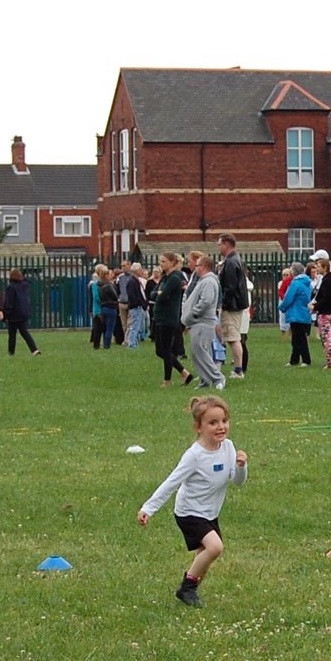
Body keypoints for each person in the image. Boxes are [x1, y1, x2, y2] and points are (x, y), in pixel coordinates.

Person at [138, 393, 248, 608]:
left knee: (204, 559)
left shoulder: (229, 447)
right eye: (212, 423)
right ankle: (186, 589)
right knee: (215, 548)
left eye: (224, 421)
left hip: (210, 513)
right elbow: (171, 482)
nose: (221, 427)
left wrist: (242, 467)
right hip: (189, 512)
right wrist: (148, 508)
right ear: (199, 427)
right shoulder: (194, 455)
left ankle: (189, 591)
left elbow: (238, 481)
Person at [182, 250, 223, 388]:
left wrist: (193, 314)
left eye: (198, 265)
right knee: (196, 353)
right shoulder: (204, 281)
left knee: (201, 352)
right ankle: (205, 381)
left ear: (204, 267)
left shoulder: (209, 281)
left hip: (202, 321)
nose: (195, 267)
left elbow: (206, 301)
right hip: (198, 322)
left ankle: (218, 378)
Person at [149, 252, 191, 386]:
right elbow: (152, 293)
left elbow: (163, 296)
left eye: (164, 261)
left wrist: (159, 294)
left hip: (169, 318)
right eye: (160, 261)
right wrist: (158, 293)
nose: (161, 264)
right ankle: (184, 373)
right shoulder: (164, 278)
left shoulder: (174, 278)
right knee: (159, 351)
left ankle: (167, 380)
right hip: (159, 317)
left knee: (166, 350)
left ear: (172, 263)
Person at [217, 235, 251, 377]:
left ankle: (238, 370)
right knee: (233, 337)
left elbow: (230, 287)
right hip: (235, 304)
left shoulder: (231, 262)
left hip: (232, 306)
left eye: (219, 244)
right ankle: (238, 368)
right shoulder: (234, 260)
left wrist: (223, 304)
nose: (218, 247)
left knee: (233, 338)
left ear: (226, 244)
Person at [310, 249, 331, 369]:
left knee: (327, 338)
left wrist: (315, 306)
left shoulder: (326, 281)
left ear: (324, 267)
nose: (316, 268)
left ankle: (330, 361)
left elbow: (325, 298)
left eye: (318, 265)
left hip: (325, 313)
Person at [281, 260, 316, 366]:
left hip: (296, 313)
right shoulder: (307, 283)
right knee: (298, 338)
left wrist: (282, 307)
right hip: (304, 312)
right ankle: (294, 359)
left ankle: (306, 360)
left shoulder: (295, 283)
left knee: (299, 338)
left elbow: (288, 298)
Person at [4, 267, 40, 356]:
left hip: (14, 314)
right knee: (24, 332)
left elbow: (9, 302)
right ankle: (34, 349)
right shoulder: (25, 285)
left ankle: (11, 352)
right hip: (24, 313)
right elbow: (27, 280)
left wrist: (6, 314)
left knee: (12, 334)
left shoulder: (11, 287)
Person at [120, 262, 148, 349]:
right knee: (134, 326)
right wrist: (139, 303)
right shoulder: (132, 282)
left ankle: (134, 343)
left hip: (137, 306)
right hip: (136, 307)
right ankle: (131, 344)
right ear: (136, 270)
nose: (142, 271)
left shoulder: (135, 281)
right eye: (140, 269)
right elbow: (133, 296)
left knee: (137, 326)